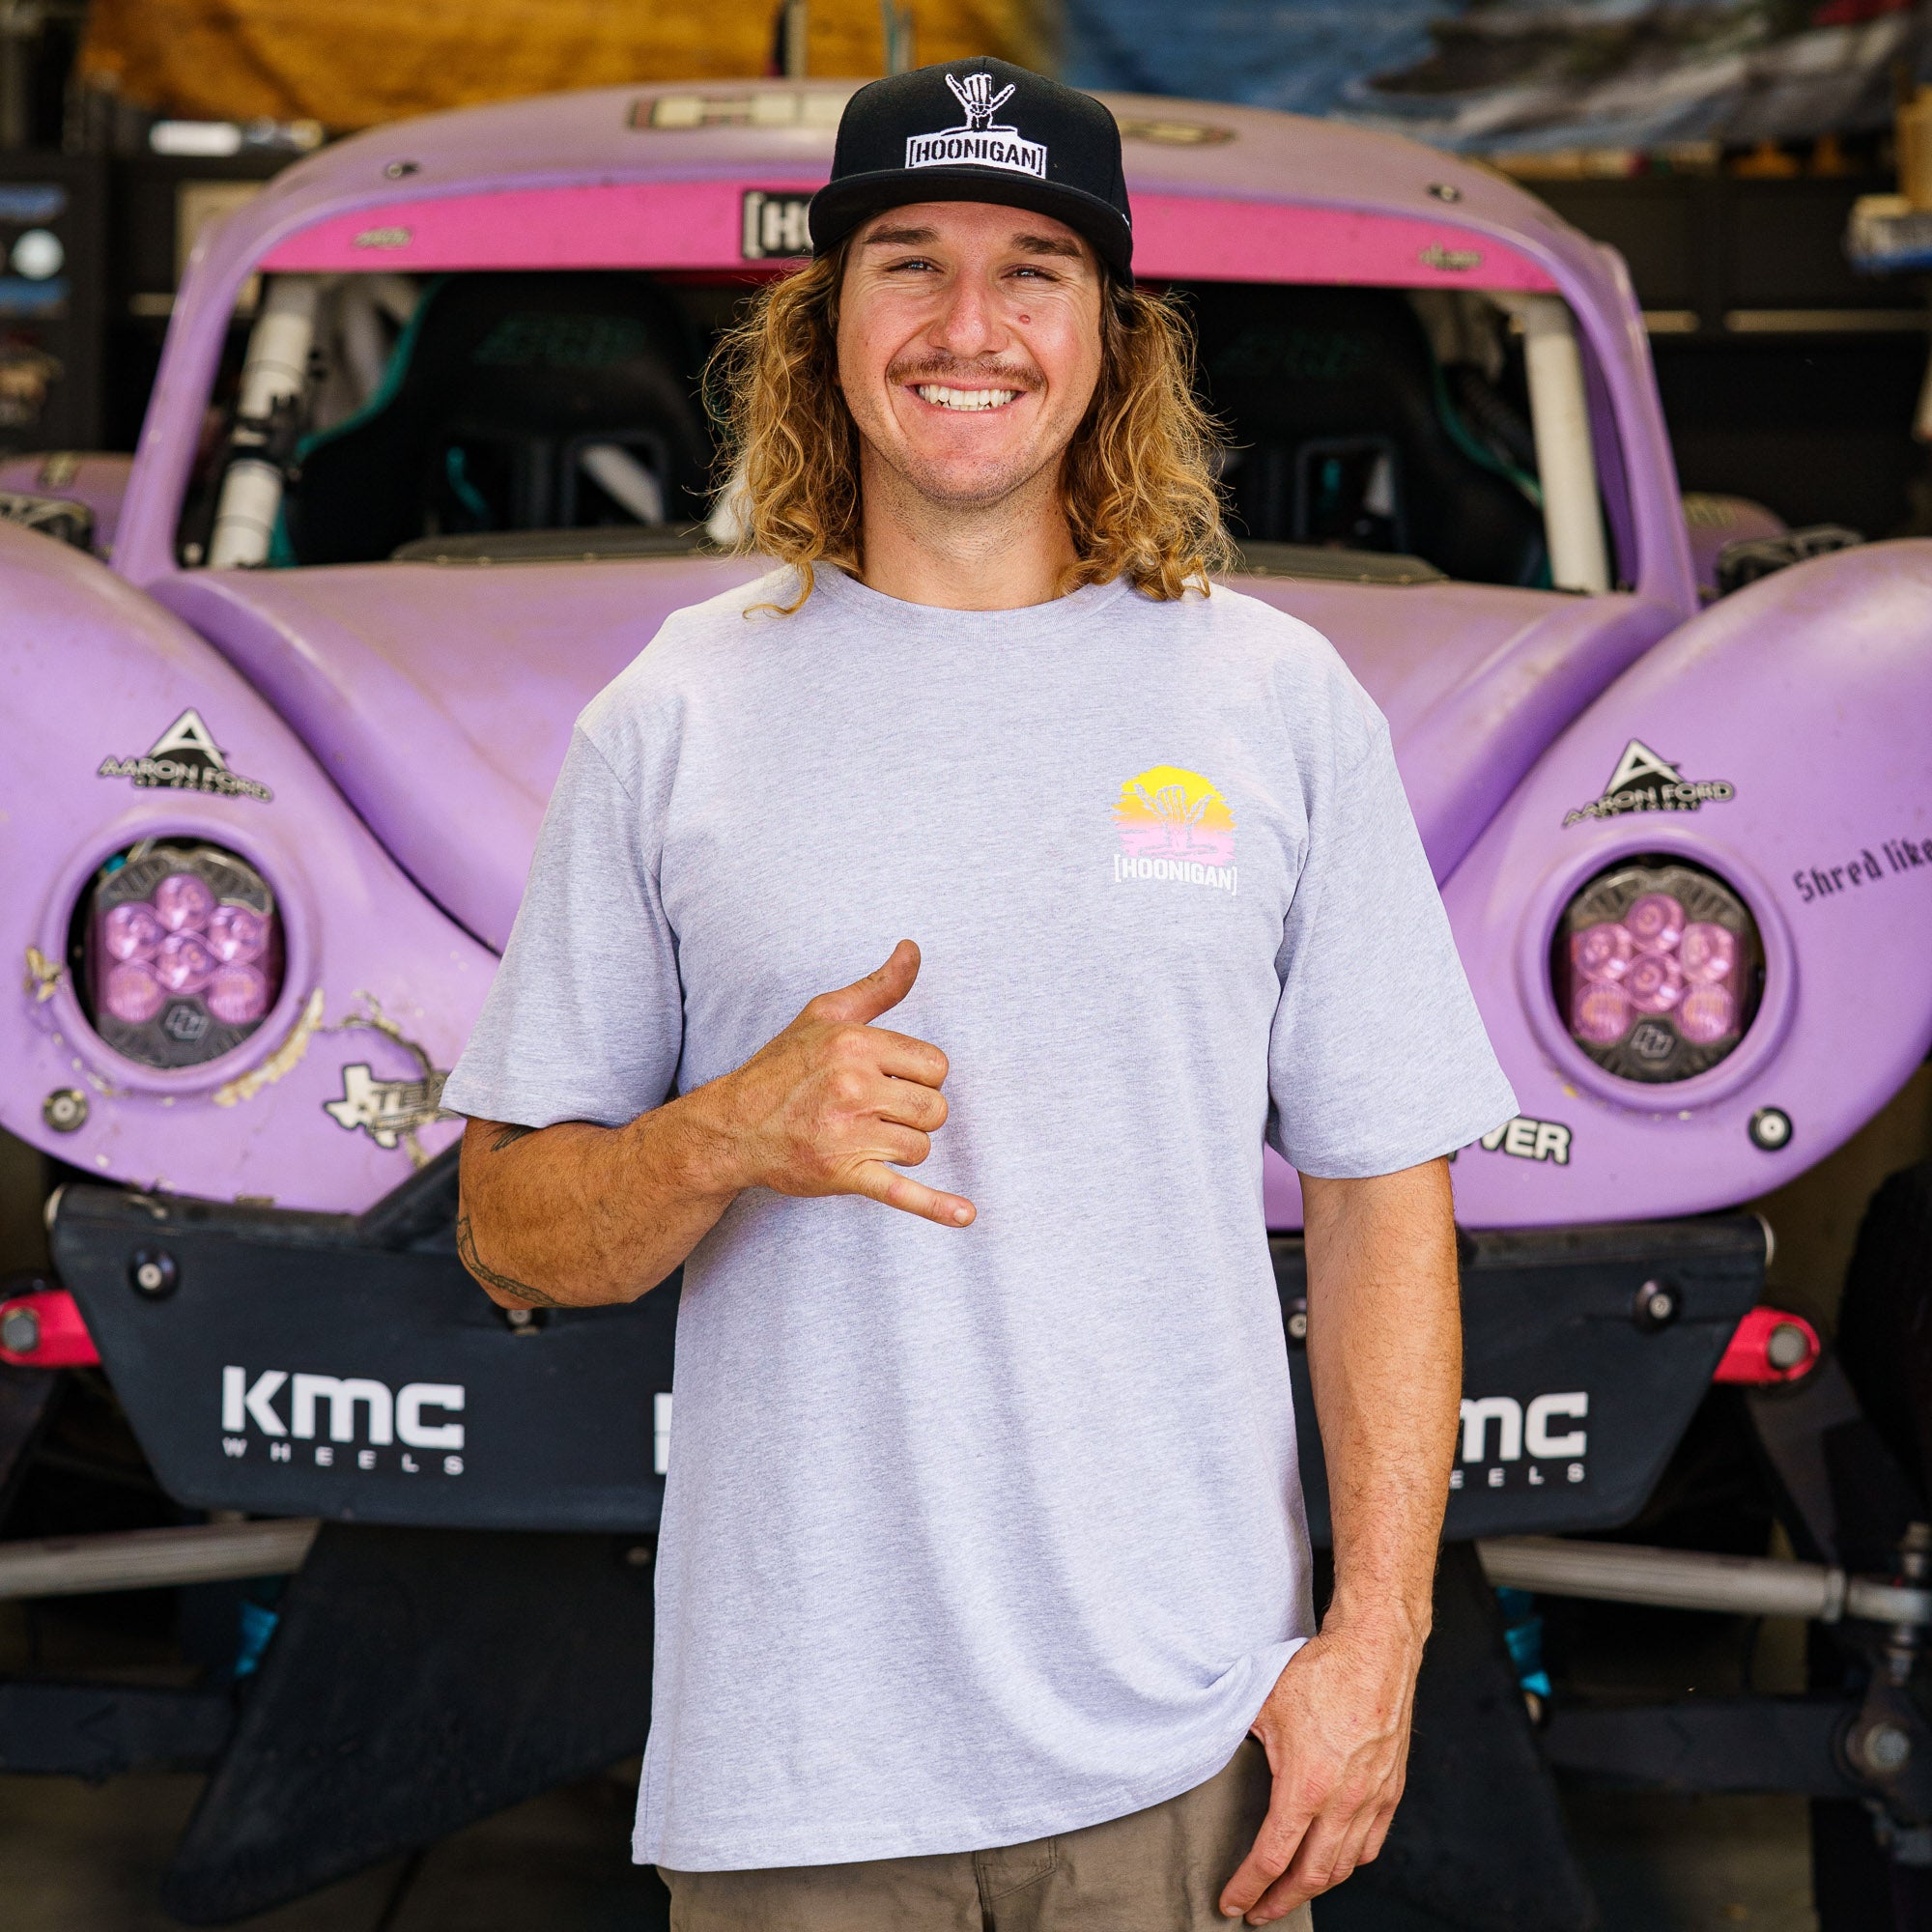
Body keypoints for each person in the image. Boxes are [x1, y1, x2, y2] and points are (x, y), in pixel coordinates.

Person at [443, 55, 1516, 1932]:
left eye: (1032, 269)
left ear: (1114, 337)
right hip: (798, 1776)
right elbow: (508, 1236)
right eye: (909, 264)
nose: (969, 325)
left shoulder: (1272, 702)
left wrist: (1378, 1642)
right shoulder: (672, 716)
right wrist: (722, 1135)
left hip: (1187, 1753)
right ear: (821, 326)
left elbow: (1380, 1203)